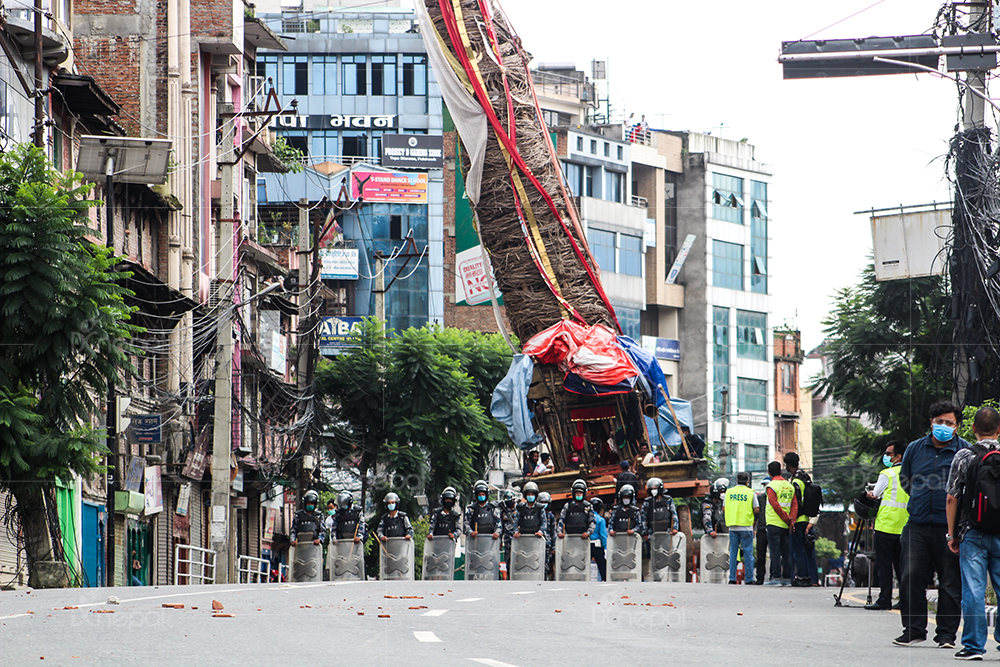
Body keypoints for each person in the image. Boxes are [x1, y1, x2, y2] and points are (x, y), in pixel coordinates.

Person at [894, 401, 970, 648]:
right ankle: (913, 629)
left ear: (957, 427)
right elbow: (906, 482)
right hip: (916, 525)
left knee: (949, 582)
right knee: (910, 576)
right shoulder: (915, 449)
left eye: (949, 423)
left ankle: (946, 635)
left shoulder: (965, 452)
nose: (944, 427)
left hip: (949, 529)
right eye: (940, 422)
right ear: (931, 422)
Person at [947, 406, 1000, 660]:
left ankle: (974, 646)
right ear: (999, 430)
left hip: (973, 532)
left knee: (974, 589)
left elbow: (951, 498)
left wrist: (951, 534)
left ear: (973, 428)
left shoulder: (964, 456)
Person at [865, 440, 908, 610]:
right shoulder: (912, 473)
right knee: (901, 566)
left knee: (884, 566)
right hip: (905, 526)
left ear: (898, 456)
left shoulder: (887, 474)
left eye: (889, 454)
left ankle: (884, 600)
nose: (886, 456)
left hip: (885, 526)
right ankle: (905, 600)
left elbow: (875, 494)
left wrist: (870, 494)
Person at [784, 452, 819, 587]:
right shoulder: (805, 477)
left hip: (799, 520)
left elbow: (796, 503)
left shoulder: (796, 481)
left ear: (788, 465)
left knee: (797, 549)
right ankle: (811, 578)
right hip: (807, 519)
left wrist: (792, 520)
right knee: (807, 550)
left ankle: (803, 577)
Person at [763, 461, 796, 586]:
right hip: (786, 525)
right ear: (781, 471)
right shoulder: (789, 486)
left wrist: (785, 518)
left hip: (774, 523)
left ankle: (776, 578)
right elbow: (794, 505)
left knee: (775, 552)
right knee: (786, 552)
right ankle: (787, 578)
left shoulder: (771, 486)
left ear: (769, 473)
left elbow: (774, 504)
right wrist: (790, 520)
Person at [724, 471, 758, 584]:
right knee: (748, 553)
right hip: (746, 527)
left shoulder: (729, 492)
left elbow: (724, 508)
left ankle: (732, 579)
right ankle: (749, 579)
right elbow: (756, 509)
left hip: (733, 526)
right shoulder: (751, 493)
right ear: (747, 481)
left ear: (737, 480)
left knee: (733, 553)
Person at [753, 478, 769, 585]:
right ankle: (760, 578)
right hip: (762, 528)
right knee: (760, 554)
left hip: (774, 528)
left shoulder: (777, 497)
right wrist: (753, 528)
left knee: (776, 554)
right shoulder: (760, 498)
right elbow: (756, 515)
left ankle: (775, 576)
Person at [537, 491, 556, 579]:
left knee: (546, 565)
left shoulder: (551, 516)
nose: (544, 504)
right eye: (542, 502)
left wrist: (553, 547)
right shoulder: (535, 514)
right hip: (536, 543)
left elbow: (553, 532)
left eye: (546, 503)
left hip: (547, 545)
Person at [589, 497, 608, 581]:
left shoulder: (586, 518)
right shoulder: (601, 519)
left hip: (586, 544)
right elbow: (603, 535)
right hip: (597, 545)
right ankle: (604, 579)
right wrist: (605, 548)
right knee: (602, 565)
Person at [500, 489, 518, 577]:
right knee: (508, 560)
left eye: (510, 501)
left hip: (518, 540)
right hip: (507, 540)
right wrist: (500, 541)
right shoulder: (503, 512)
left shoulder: (519, 510)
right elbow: (501, 527)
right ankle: (509, 577)